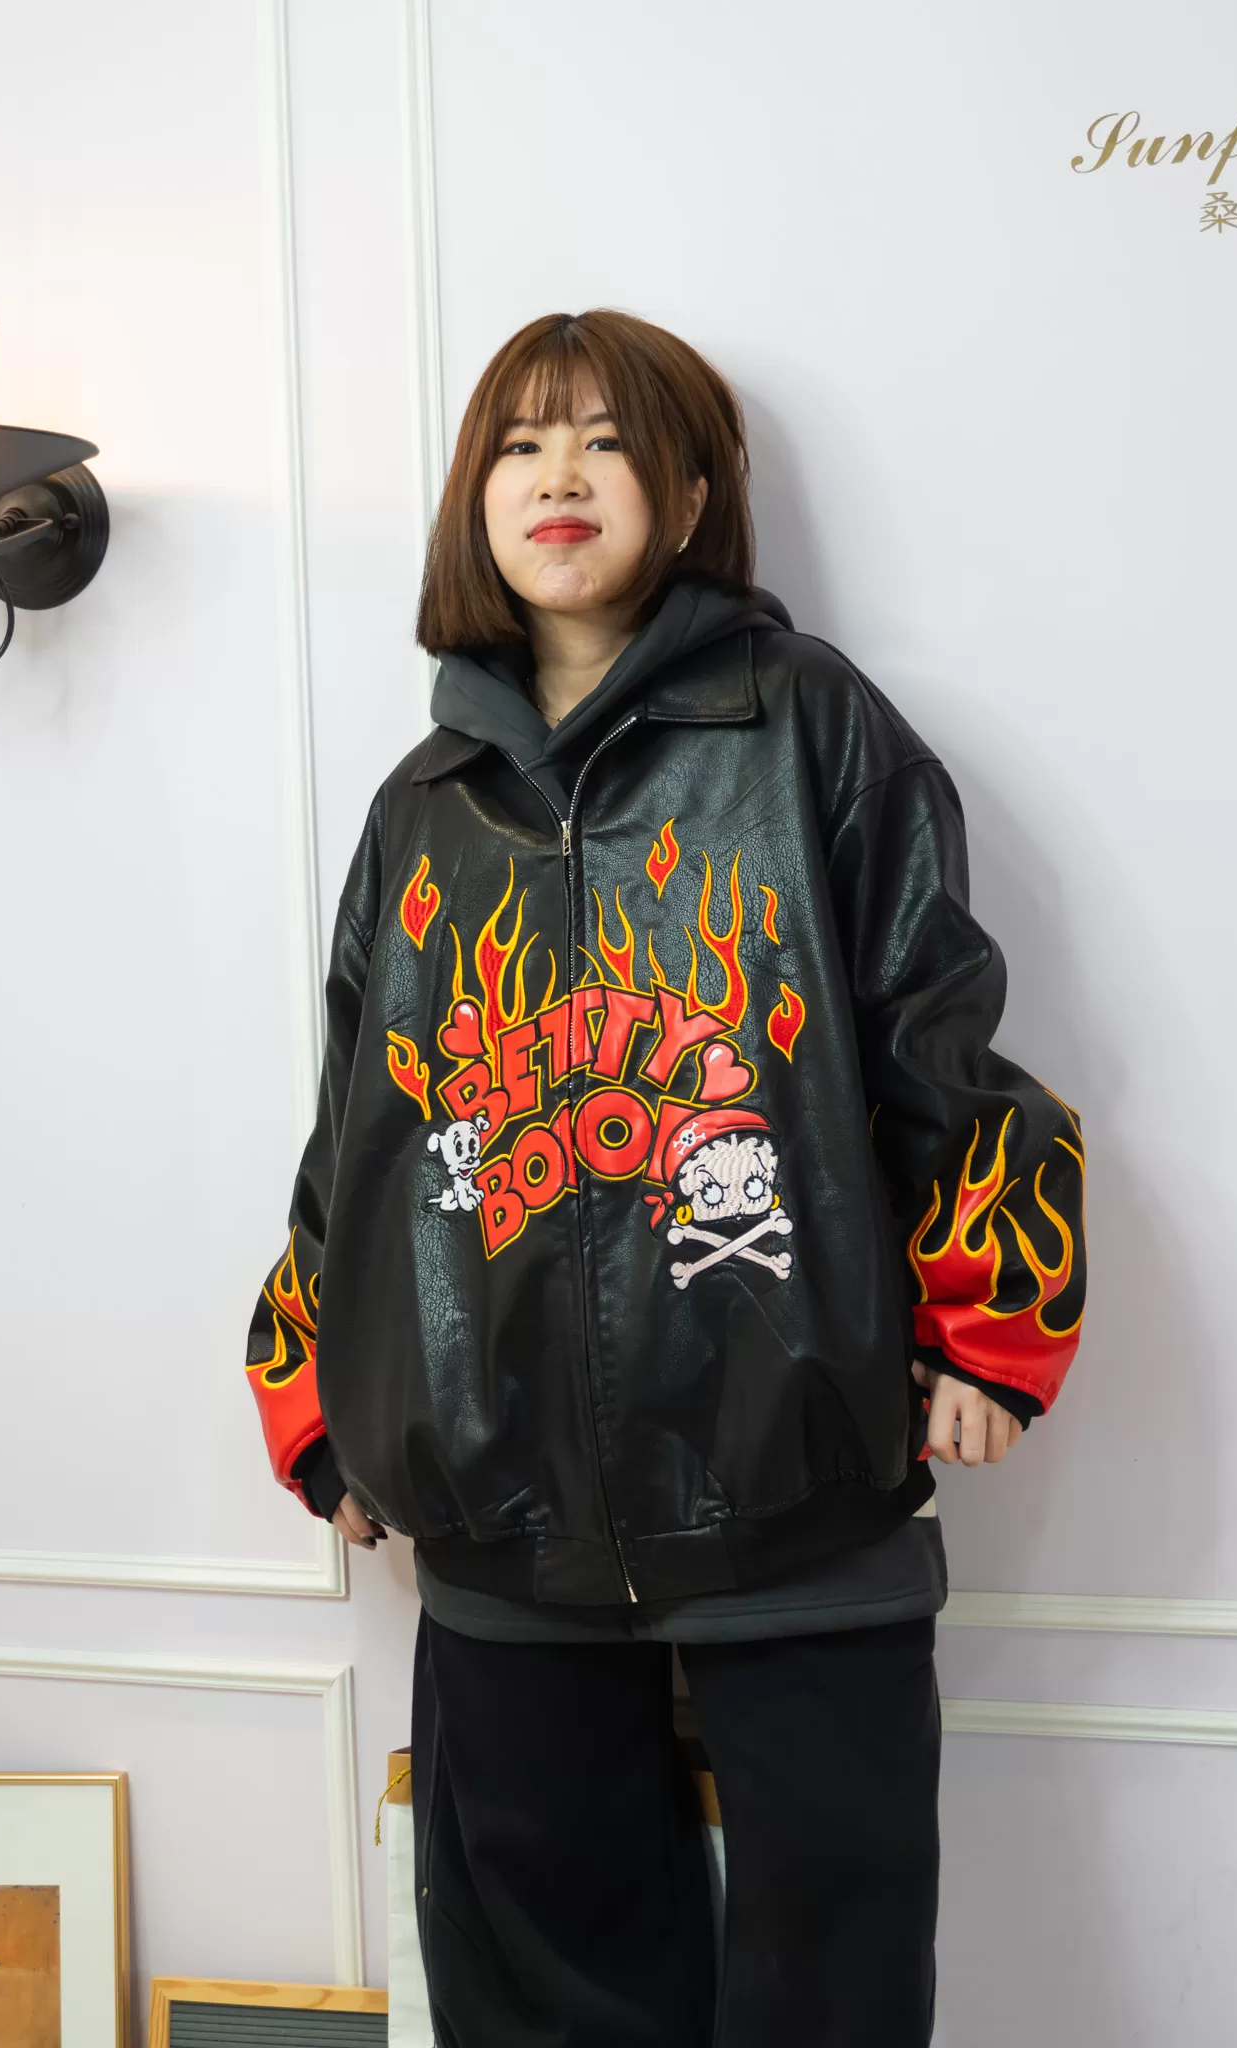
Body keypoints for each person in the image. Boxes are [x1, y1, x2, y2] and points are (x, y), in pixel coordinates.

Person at [245, 309, 1086, 2048]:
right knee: (545, 1994)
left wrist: (991, 1326)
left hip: (801, 1486)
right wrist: (320, 1394)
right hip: (495, 1514)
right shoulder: (422, 806)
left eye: (609, 440)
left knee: (832, 1990)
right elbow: (364, 1132)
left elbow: (933, 1025)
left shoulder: (814, 728)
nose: (558, 475)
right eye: (519, 443)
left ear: (692, 495)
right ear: (474, 499)